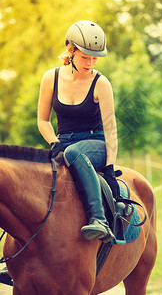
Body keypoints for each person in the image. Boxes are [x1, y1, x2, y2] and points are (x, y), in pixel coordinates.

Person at [38, 20, 119, 243]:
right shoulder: (51, 78)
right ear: (71, 50)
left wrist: (110, 168)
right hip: (62, 145)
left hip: (97, 145)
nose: (90, 63)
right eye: (85, 57)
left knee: (73, 153)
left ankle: (99, 219)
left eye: (95, 58)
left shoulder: (101, 83)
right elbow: (43, 121)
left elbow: (111, 132)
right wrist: (54, 142)